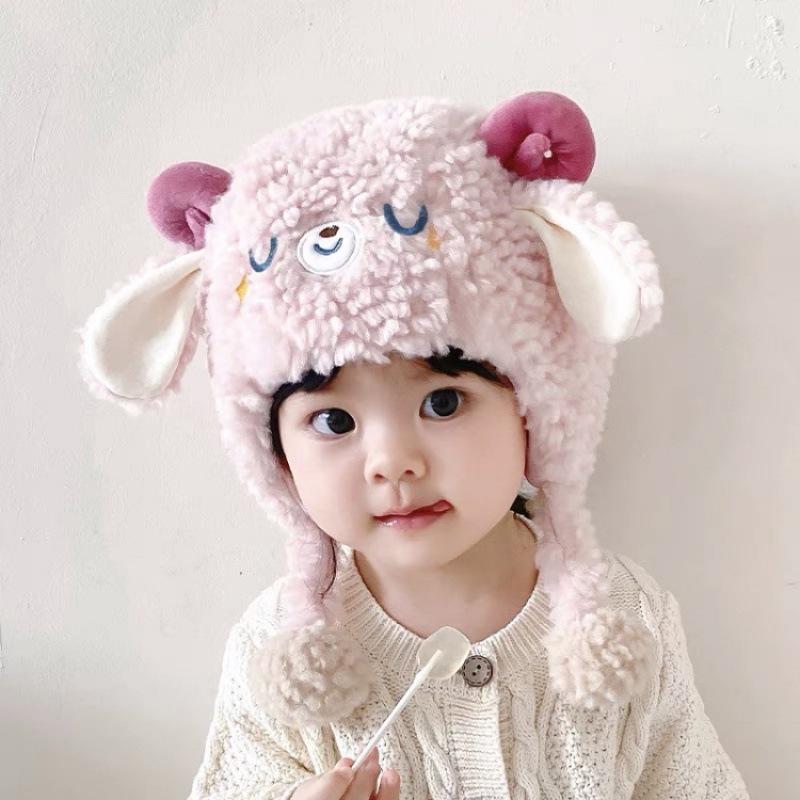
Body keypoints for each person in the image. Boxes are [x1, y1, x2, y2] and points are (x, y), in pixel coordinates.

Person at [77, 91, 751, 799]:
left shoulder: (625, 619)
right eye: (334, 422)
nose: (393, 462)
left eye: (443, 402)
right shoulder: (279, 648)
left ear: (539, 408)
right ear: (275, 456)